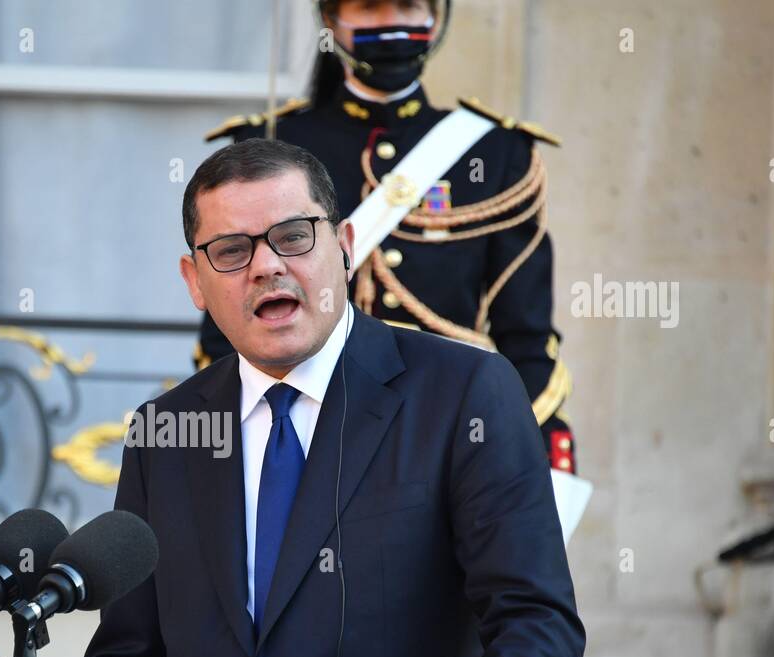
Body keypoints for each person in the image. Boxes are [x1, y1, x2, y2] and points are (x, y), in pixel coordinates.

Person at [0, 138, 584, 657]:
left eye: (293, 236)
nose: (267, 264)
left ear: (346, 243)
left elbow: (536, 618)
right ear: (195, 282)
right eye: (230, 250)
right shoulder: (166, 429)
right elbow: (132, 656)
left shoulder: (464, 394)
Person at [197, 0, 577, 473]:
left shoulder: (498, 153)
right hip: (305, 434)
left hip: (448, 434)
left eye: (408, 6)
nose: (391, 23)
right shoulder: (274, 142)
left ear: (435, 18)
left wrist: (525, 440)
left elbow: (524, 334)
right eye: (371, 7)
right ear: (331, 20)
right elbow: (227, 326)